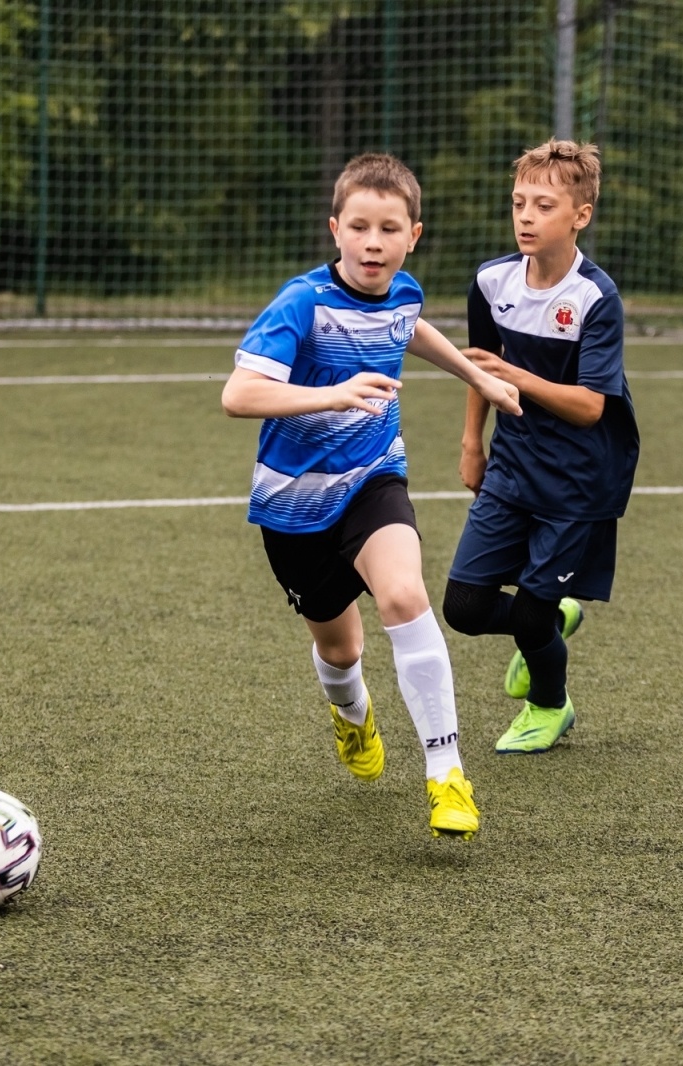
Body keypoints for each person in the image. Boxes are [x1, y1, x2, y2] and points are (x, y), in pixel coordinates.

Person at [220, 153, 522, 839]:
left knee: (404, 595)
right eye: (360, 226)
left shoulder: (405, 290)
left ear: (413, 233)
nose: (373, 242)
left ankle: (447, 775)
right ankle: (351, 713)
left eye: (389, 228)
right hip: (294, 508)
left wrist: (476, 378)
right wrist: (334, 393)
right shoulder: (302, 302)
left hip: (374, 480)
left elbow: (407, 326)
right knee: (340, 649)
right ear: (336, 230)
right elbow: (239, 395)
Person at [443, 139, 639, 755]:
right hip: (511, 465)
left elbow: (590, 407)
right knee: (466, 607)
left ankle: (549, 707)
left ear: (579, 216)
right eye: (518, 203)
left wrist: (518, 377)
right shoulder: (491, 280)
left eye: (544, 206)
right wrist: (472, 441)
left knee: (527, 617)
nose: (526, 217)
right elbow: (481, 369)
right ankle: (556, 619)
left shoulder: (594, 298)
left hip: (579, 480)